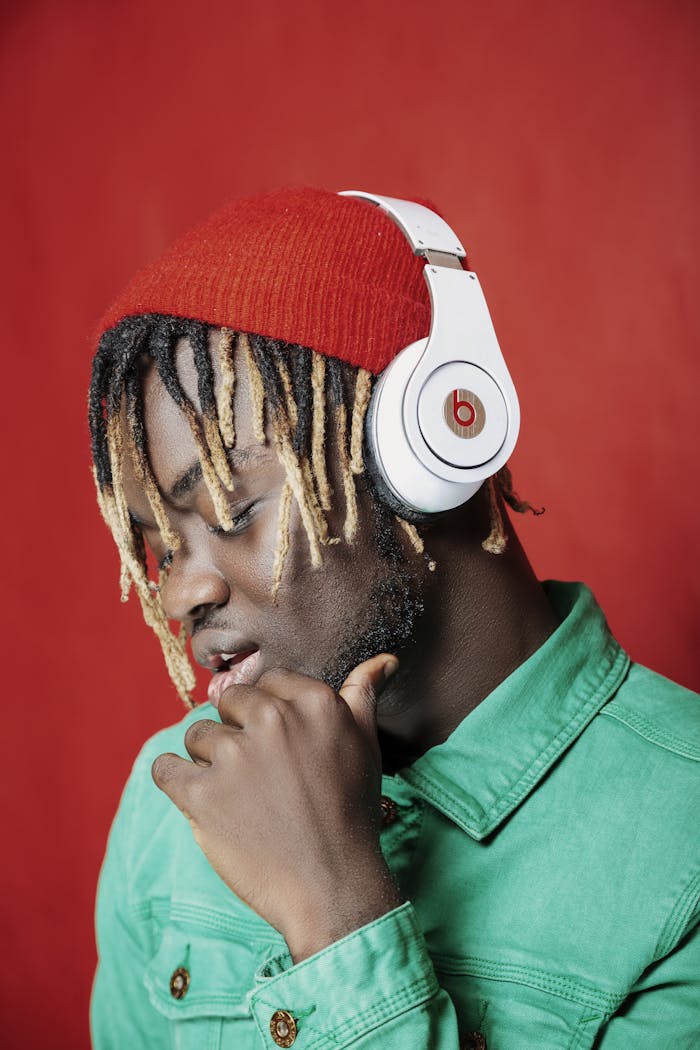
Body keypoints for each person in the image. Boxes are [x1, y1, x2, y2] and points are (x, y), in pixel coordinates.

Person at [89, 188, 700, 1050]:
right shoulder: (174, 804)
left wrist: (336, 915)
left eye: (231, 512)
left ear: (430, 453)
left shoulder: (683, 849)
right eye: (160, 551)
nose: (182, 593)